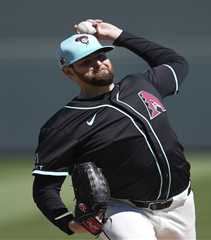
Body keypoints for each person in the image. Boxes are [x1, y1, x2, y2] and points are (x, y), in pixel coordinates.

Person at [32, 19, 196, 240]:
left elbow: (175, 62)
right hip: (124, 210)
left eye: (101, 56)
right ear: (68, 72)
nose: (98, 63)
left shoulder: (142, 84)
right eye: (86, 62)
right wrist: (68, 223)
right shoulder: (64, 124)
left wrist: (119, 35)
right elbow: (45, 187)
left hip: (181, 204)